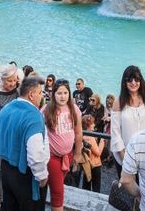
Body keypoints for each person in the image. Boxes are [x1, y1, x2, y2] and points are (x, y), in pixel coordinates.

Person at [0, 75, 49, 211]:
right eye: (39, 93)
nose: (41, 96)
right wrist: (42, 176)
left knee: (9, 206)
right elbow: (35, 154)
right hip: (24, 174)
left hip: (6, 170)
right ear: (31, 95)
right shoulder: (34, 116)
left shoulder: (6, 109)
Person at [42, 79, 83, 211]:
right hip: (52, 157)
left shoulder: (74, 109)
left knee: (56, 185)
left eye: (66, 93)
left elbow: (78, 133)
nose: (63, 96)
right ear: (54, 94)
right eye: (59, 93)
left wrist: (77, 153)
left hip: (68, 156)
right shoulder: (46, 110)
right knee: (58, 192)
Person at [110, 65, 145, 175]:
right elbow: (116, 133)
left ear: (140, 80)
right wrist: (125, 160)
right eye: (129, 79)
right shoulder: (119, 102)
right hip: (125, 155)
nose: (133, 82)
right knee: (128, 189)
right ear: (125, 81)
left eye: (136, 79)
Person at [80, 114, 105, 193]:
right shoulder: (90, 137)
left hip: (87, 163)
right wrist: (102, 142)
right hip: (95, 164)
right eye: (92, 123)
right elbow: (98, 153)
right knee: (96, 187)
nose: (94, 125)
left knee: (86, 184)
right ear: (88, 125)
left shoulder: (83, 135)